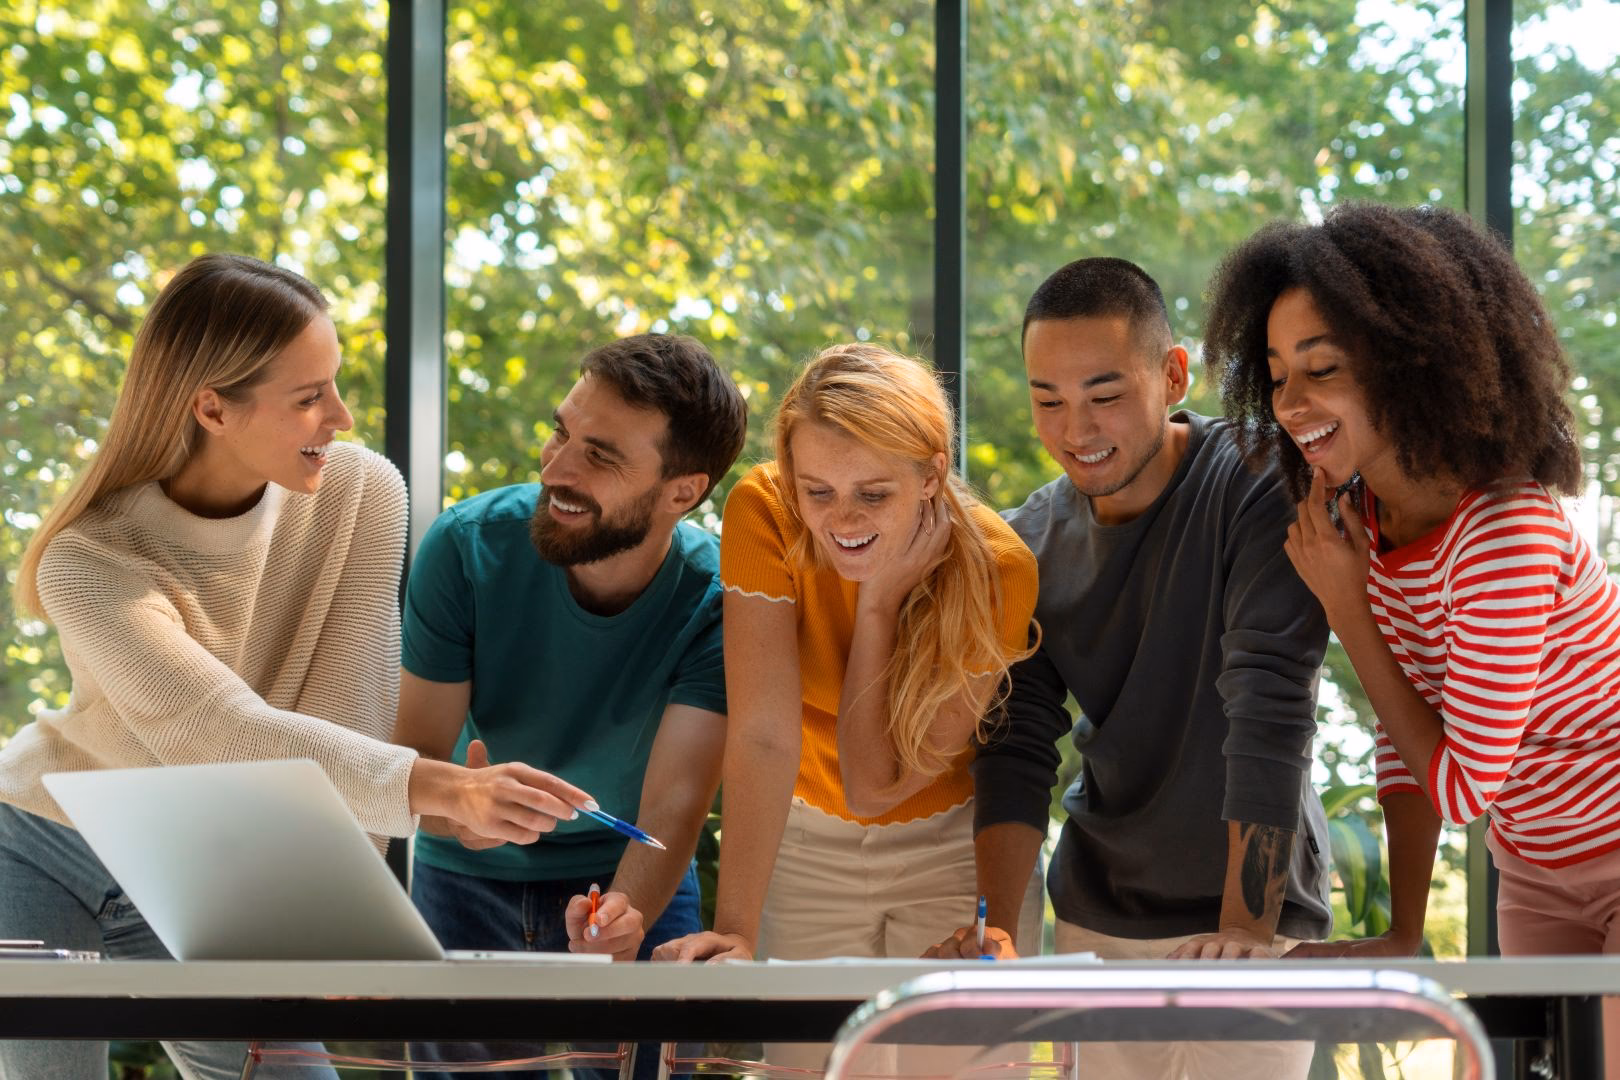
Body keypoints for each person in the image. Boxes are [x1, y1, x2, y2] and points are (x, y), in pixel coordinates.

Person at [0, 254, 587, 1080]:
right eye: (309, 398)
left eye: (335, 384)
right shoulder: (88, 559)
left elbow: (346, 723)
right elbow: (215, 728)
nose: (341, 416)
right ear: (212, 407)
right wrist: (445, 788)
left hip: (208, 866)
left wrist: (338, 921)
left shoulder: (359, 495)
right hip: (44, 842)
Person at [1206, 202, 1620, 1075]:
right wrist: (1399, 932)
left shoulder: (1505, 530)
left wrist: (1348, 607)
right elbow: (1410, 747)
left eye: (1322, 368)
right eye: (1277, 374)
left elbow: (1465, 784)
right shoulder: (1370, 520)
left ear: (1410, 368)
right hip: (1536, 865)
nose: (1290, 403)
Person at [929, 258, 1332, 1078]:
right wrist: (1001, 936)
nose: (1076, 429)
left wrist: (1246, 930)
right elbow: (1015, 751)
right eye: (1048, 401)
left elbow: (1269, 703)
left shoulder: (1262, 479)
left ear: (1172, 373)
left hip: (1254, 917)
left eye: (1104, 395)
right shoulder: (1026, 542)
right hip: (1100, 919)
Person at [394, 333, 746, 1077]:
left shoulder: (719, 600)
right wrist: (459, 808)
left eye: (602, 455)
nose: (557, 468)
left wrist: (626, 915)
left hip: (628, 871)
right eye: (562, 432)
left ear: (684, 490)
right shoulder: (464, 548)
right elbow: (413, 760)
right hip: (463, 878)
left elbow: (677, 803)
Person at [653, 343, 1044, 967]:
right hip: (801, 838)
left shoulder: (998, 571)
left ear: (931, 477)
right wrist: (736, 933)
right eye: (818, 490)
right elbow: (762, 735)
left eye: (873, 493)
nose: (842, 519)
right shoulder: (766, 512)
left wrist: (878, 603)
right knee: (813, 1065)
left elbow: (873, 785)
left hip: (949, 847)